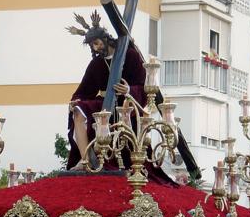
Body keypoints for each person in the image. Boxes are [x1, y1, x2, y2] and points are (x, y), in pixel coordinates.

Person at [65, 11, 194, 183]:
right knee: (79, 112)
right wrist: (75, 102)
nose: (96, 48)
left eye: (96, 43)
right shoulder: (96, 63)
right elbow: (84, 90)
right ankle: (85, 160)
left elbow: (144, 87)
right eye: (92, 46)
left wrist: (128, 90)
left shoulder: (130, 56)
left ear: (105, 38)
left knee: (124, 118)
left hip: (128, 105)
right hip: (103, 105)